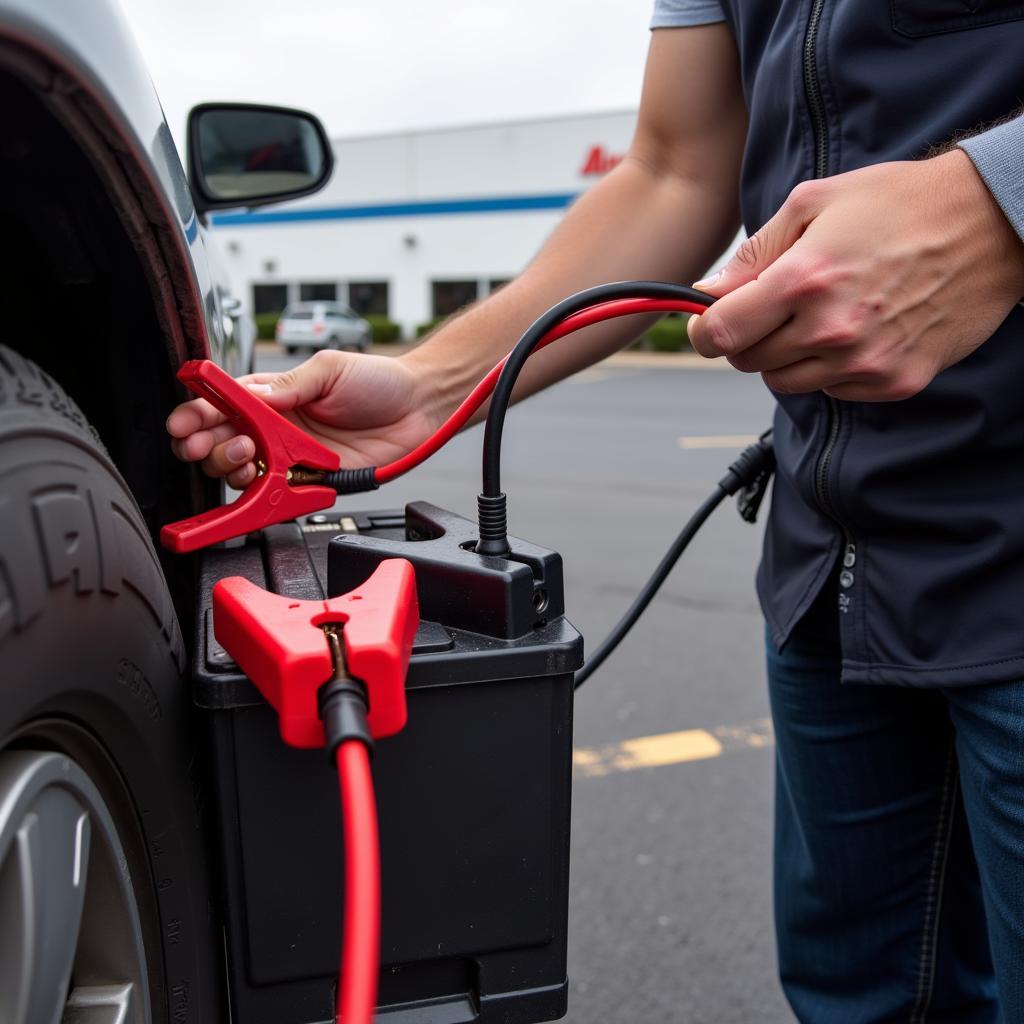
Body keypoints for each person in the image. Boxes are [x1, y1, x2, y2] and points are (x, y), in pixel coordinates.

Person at [168, 3, 1024, 1019]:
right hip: (833, 566)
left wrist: (998, 202)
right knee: (857, 998)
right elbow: (675, 166)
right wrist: (432, 389)